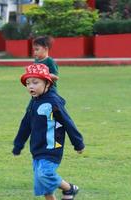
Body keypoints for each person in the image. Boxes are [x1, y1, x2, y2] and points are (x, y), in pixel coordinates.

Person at [12, 63, 85, 200]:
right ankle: (67, 193)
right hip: (37, 148)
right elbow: (25, 124)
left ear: (47, 83)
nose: (31, 86)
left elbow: (68, 123)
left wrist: (78, 143)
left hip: (52, 147)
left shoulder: (53, 102)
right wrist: (18, 144)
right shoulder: (34, 102)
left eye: (35, 82)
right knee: (44, 185)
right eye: (28, 83)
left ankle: (69, 188)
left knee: (44, 175)